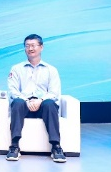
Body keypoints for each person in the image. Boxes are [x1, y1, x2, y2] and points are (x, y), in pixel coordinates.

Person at [5, 34, 66, 163]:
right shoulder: (16, 69)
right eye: (27, 46)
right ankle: (14, 146)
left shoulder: (51, 70)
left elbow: (54, 92)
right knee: (17, 102)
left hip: (43, 106)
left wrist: (40, 100)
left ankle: (56, 147)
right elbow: (13, 90)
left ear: (41, 47)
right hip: (24, 105)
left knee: (50, 104)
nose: (30, 49)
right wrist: (27, 101)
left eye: (33, 45)